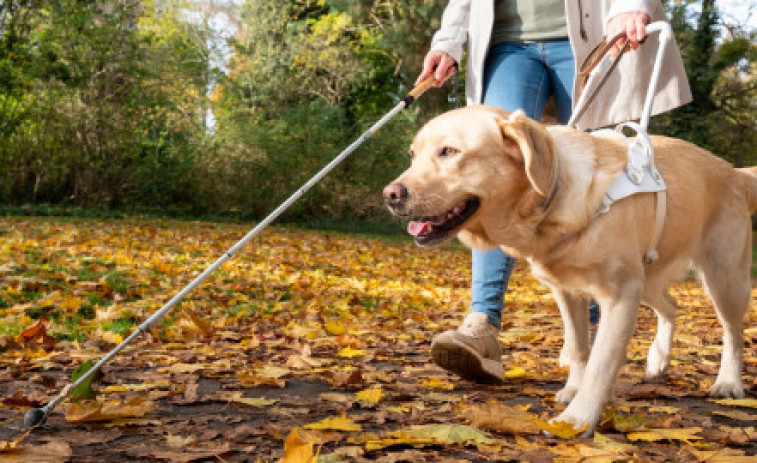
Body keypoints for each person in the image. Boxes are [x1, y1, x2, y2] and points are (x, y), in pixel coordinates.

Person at [416, 0, 692, 383]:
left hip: (592, 33)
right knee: (490, 177)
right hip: (506, 43)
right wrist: (448, 40)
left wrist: (632, 5)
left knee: (602, 181)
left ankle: (596, 331)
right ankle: (482, 324)